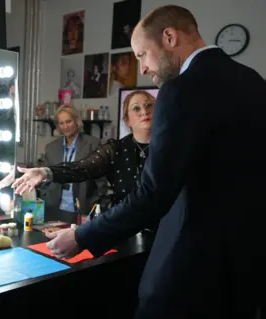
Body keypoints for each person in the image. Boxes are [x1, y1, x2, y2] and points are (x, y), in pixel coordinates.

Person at [32, 5, 265, 318]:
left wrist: (81, 236)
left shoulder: (179, 90)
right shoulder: (253, 82)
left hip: (189, 270)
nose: (141, 68)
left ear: (169, 37)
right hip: (246, 266)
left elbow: (154, 193)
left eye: (142, 54)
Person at [0, 91, 155, 228]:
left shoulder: (93, 143)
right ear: (127, 120)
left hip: (89, 209)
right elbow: (79, 168)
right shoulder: (115, 148)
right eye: (136, 108)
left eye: (149, 106)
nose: (144, 112)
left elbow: (99, 182)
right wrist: (35, 173)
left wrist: (96, 207)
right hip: (113, 221)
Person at [37, 106, 107, 223]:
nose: (65, 126)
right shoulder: (51, 148)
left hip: (83, 207)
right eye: (61, 123)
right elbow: (45, 177)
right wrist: (45, 196)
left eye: (68, 121)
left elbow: (101, 179)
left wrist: (95, 204)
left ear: (76, 121)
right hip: (54, 207)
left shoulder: (92, 144)